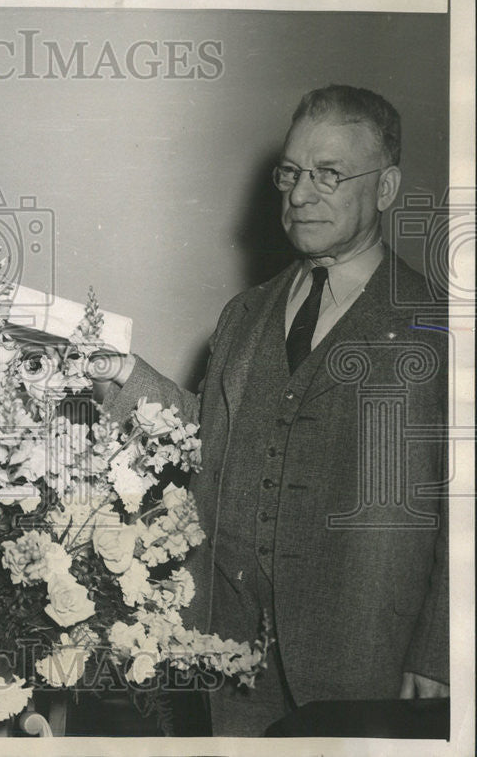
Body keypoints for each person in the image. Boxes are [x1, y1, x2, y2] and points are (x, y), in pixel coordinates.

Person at [96, 85, 448, 736]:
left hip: (362, 661)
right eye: (290, 173)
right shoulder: (244, 315)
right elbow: (208, 443)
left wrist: (442, 652)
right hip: (230, 653)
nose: (300, 194)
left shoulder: (438, 326)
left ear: (388, 187)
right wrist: (122, 374)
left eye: (329, 174)